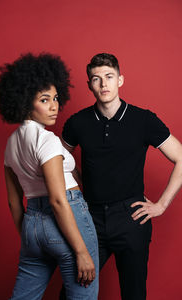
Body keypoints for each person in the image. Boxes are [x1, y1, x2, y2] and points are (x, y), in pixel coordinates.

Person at [60, 53, 182, 300]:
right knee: (74, 291)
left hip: (132, 217)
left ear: (120, 80)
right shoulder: (78, 122)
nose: (104, 84)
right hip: (90, 218)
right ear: (89, 85)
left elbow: (181, 156)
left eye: (109, 77)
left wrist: (161, 205)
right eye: (96, 79)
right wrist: (83, 183)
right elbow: (58, 160)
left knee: (134, 294)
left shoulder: (143, 120)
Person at [0, 53, 99, 300]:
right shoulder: (47, 140)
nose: (54, 106)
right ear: (25, 102)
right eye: (44, 99)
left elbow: (13, 201)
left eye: (55, 98)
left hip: (31, 225)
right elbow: (58, 200)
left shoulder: (11, 144)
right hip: (66, 219)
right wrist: (82, 252)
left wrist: (31, 235)